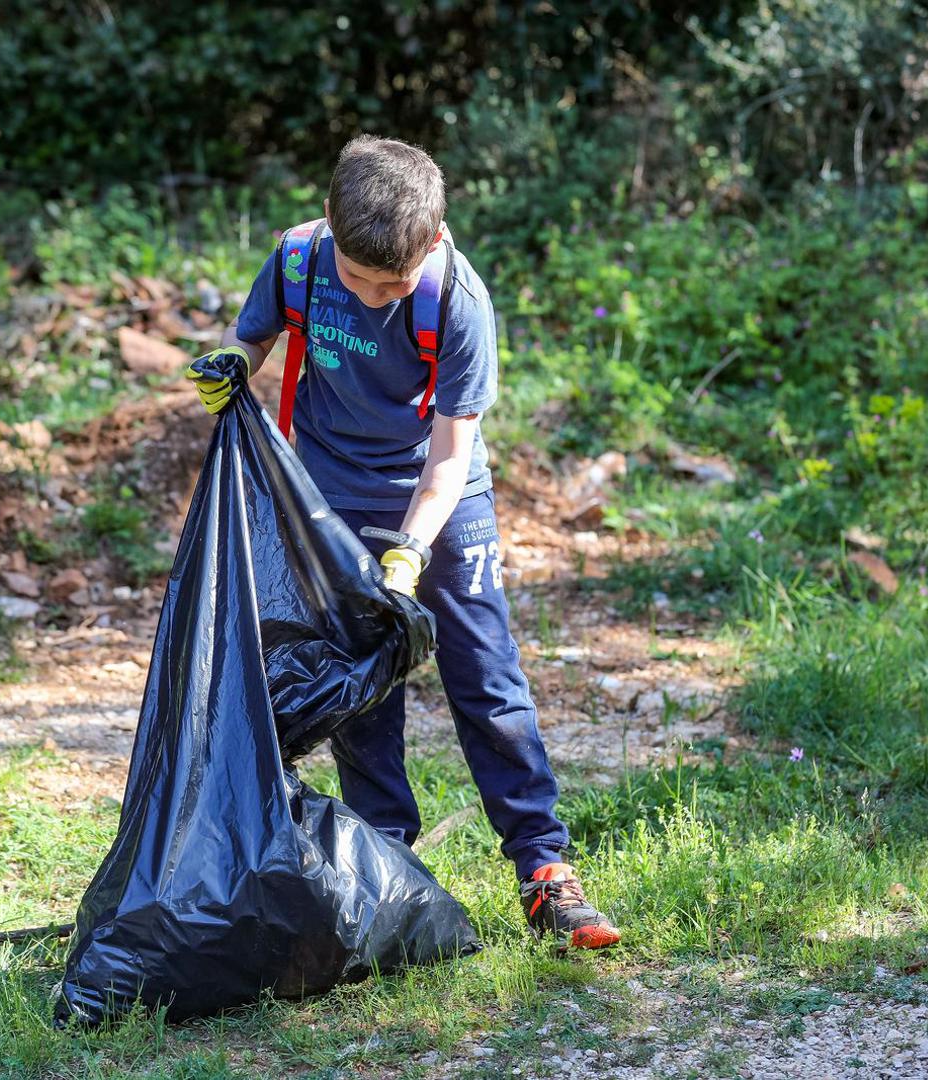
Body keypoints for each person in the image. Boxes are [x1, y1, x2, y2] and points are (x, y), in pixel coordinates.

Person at [187, 135, 619, 950]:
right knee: (362, 691)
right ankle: (388, 863)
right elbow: (257, 340)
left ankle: (543, 870)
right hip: (328, 500)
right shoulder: (300, 260)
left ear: (433, 239)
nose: (379, 295)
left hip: (442, 505)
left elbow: (452, 458)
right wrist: (232, 365)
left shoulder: (457, 300)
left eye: (396, 281)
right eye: (362, 279)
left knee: (486, 680)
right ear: (327, 225)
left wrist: (412, 552)